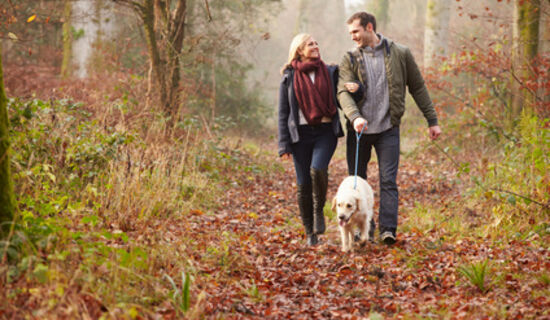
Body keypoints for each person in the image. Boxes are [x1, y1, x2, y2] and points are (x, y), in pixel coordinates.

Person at [337, 12, 442, 245]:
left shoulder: (400, 53)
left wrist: (432, 120)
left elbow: (418, 87)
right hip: (359, 131)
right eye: (350, 33)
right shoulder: (349, 58)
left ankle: (387, 230)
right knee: (357, 182)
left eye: (356, 31)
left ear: (369, 27)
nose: (353, 37)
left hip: (388, 129)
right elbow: (342, 92)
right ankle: (361, 230)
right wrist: (354, 117)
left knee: (388, 181)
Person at [278, 33, 344, 246]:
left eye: (316, 43)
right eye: (310, 44)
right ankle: (310, 233)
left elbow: (345, 96)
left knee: (318, 169)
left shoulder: (330, 72)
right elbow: (283, 113)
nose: (315, 46)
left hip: (325, 132)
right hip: (300, 136)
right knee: (303, 184)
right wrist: (284, 144)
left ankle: (318, 211)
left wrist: (356, 90)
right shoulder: (289, 77)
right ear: (299, 50)